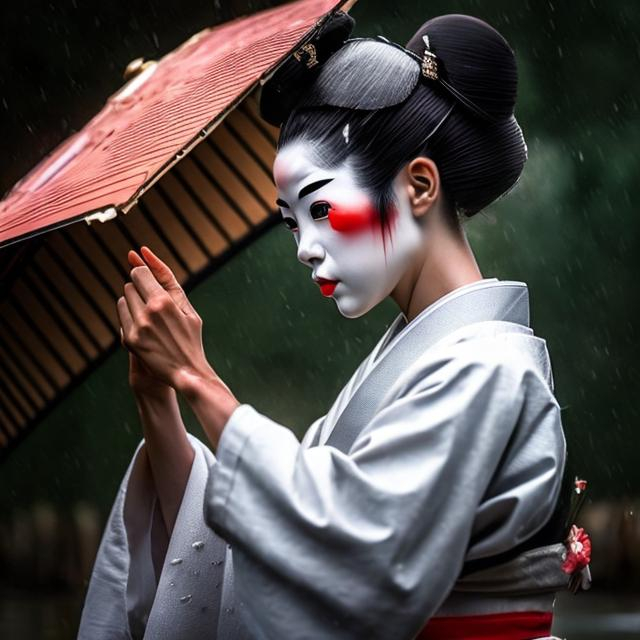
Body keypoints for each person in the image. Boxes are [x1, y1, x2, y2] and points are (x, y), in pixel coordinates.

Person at [78, 12, 590, 640]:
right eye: (293, 222)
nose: (305, 247)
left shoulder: (489, 370)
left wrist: (197, 377)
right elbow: (262, 540)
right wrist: (160, 400)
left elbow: (359, 560)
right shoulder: (428, 361)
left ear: (420, 185)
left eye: (321, 207)